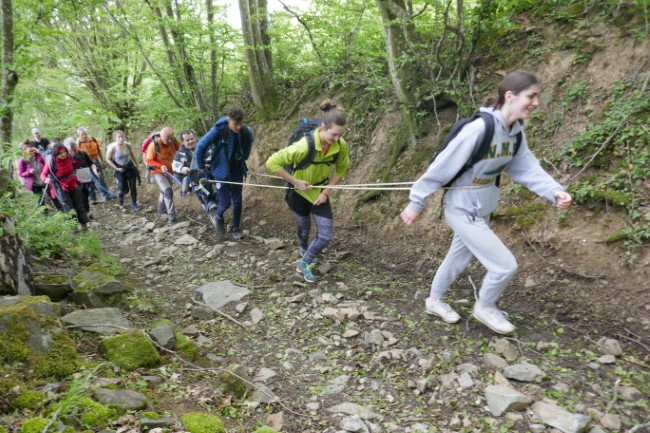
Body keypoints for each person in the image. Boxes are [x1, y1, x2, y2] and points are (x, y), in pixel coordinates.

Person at [400, 70, 573, 335]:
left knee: (457, 258)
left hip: (483, 208)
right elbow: (441, 167)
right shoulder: (480, 128)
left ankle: (434, 301)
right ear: (510, 96)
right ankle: (485, 306)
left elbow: (527, 168)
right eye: (532, 96)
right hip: (461, 208)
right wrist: (416, 202)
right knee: (505, 265)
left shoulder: (515, 133)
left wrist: (554, 191)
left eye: (537, 97)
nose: (536, 103)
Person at [266, 99, 350, 283]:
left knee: (326, 235)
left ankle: (304, 263)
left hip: (319, 192)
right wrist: (295, 181)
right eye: (333, 135)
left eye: (340, 135)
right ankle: (304, 247)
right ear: (322, 127)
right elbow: (272, 162)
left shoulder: (340, 145)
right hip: (297, 194)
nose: (337, 139)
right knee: (304, 228)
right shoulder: (304, 145)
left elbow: (342, 170)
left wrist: (325, 192)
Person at [194, 107, 254, 240]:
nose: (238, 127)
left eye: (240, 123)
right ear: (229, 120)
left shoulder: (245, 131)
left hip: (237, 168)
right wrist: (201, 165)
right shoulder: (219, 130)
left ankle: (236, 228)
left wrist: (243, 157)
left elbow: (249, 144)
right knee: (226, 202)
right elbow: (201, 146)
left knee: (237, 201)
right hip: (220, 170)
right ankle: (218, 216)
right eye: (235, 124)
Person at [41, 142, 90, 229]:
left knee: (79, 204)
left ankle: (84, 224)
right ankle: (73, 228)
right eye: (60, 153)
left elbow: (76, 164)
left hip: (72, 182)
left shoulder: (69, 158)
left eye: (64, 152)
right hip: (60, 186)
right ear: (55, 154)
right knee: (68, 207)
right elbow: (43, 175)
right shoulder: (51, 162)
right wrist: (46, 180)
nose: (63, 155)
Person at [172, 129, 218, 212]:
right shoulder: (180, 154)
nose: (190, 141)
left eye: (192, 139)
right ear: (183, 142)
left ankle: (222, 191)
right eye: (187, 140)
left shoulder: (203, 145)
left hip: (209, 168)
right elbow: (175, 165)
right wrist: (182, 168)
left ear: (195, 138)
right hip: (194, 174)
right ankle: (209, 201)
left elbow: (213, 152)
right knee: (202, 176)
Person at [145, 127, 181, 223]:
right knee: (168, 191)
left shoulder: (173, 141)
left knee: (164, 190)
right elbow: (149, 160)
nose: (169, 141)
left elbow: (181, 150)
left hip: (170, 171)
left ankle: (161, 210)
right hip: (158, 172)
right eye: (167, 139)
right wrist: (160, 166)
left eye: (171, 138)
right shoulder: (154, 145)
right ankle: (171, 214)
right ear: (161, 136)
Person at [77, 127, 115, 202]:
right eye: (82, 135)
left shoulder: (93, 139)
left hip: (95, 161)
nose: (84, 136)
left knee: (100, 179)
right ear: (79, 135)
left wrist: (103, 161)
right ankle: (92, 198)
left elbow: (98, 150)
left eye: (85, 134)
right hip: (83, 164)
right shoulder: (77, 143)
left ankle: (106, 195)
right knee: (86, 181)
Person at [64, 138, 100, 218]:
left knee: (85, 195)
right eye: (70, 150)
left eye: (74, 149)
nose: (73, 152)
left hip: (85, 179)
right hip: (73, 181)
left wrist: (95, 171)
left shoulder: (82, 153)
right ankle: (81, 215)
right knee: (78, 198)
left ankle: (87, 212)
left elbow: (91, 163)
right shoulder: (65, 158)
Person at [106, 130, 141, 211]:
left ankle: (134, 203)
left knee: (133, 187)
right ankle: (121, 195)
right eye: (119, 137)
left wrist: (137, 165)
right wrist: (116, 168)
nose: (121, 139)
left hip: (130, 167)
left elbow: (132, 155)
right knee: (125, 189)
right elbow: (108, 159)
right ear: (115, 138)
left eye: (122, 136)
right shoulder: (112, 148)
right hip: (119, 169)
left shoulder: (128, 145)